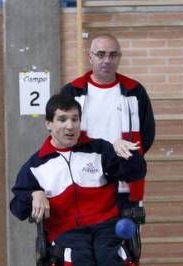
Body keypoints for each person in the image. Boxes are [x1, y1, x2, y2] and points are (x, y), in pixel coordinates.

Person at [10, 94, 148, 266]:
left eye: (74, 119)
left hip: (106, 224)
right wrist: (34, 194)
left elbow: (134, 173)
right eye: (62, 119)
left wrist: (127, 154)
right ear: (48, 124)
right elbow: (17, 206)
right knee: (79, 256)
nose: (70, 126)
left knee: (110, 254)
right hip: (66, 232)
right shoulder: (37, 164)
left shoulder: (100, 149)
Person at [60, 33, 155, 209]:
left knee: (123, 234)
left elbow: (147, 134)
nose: (107, 60)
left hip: (122, 179)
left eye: (113, 55)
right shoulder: (72, 91)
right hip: (81, 179)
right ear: (90, 57)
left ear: (119, 58)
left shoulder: (135, 91)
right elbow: (59, 134)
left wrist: (126, 159)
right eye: (101, 54)